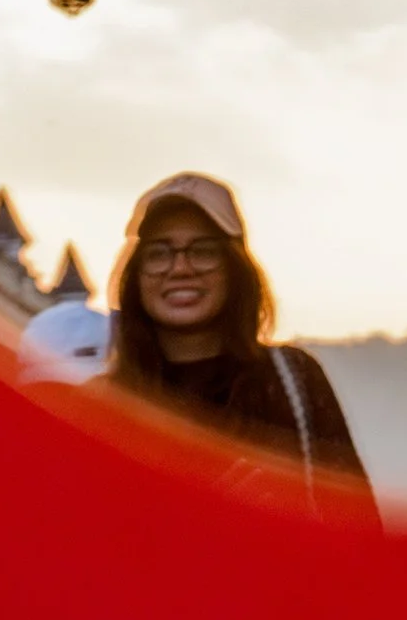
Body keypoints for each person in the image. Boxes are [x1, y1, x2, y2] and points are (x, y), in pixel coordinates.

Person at [105, 171, 380, 526]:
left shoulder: (293, 382)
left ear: (235, 268)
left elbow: (360, 530)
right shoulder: (107, 404)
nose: (180, 268)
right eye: (159, 253)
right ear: (136, 275)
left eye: (203, 251)